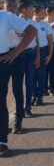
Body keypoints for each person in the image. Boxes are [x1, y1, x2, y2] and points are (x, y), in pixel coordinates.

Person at [0, 9, 36, 155]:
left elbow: (31, 31)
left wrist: (15, 52)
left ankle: (2, 141)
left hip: (2, 59)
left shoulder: (6, 16)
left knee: (0, 100)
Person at [32, 6, 53, 106]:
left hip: (43, 50)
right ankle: (33, 95)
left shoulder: (46, 25)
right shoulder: (28, 22)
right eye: (42, 13)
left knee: (41, 74)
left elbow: (50, 41)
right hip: (31, 51)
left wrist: (50, 54)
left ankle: (39, 96)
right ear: (35, 13)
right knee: (31, 76)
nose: (44, 15)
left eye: (45, 13)